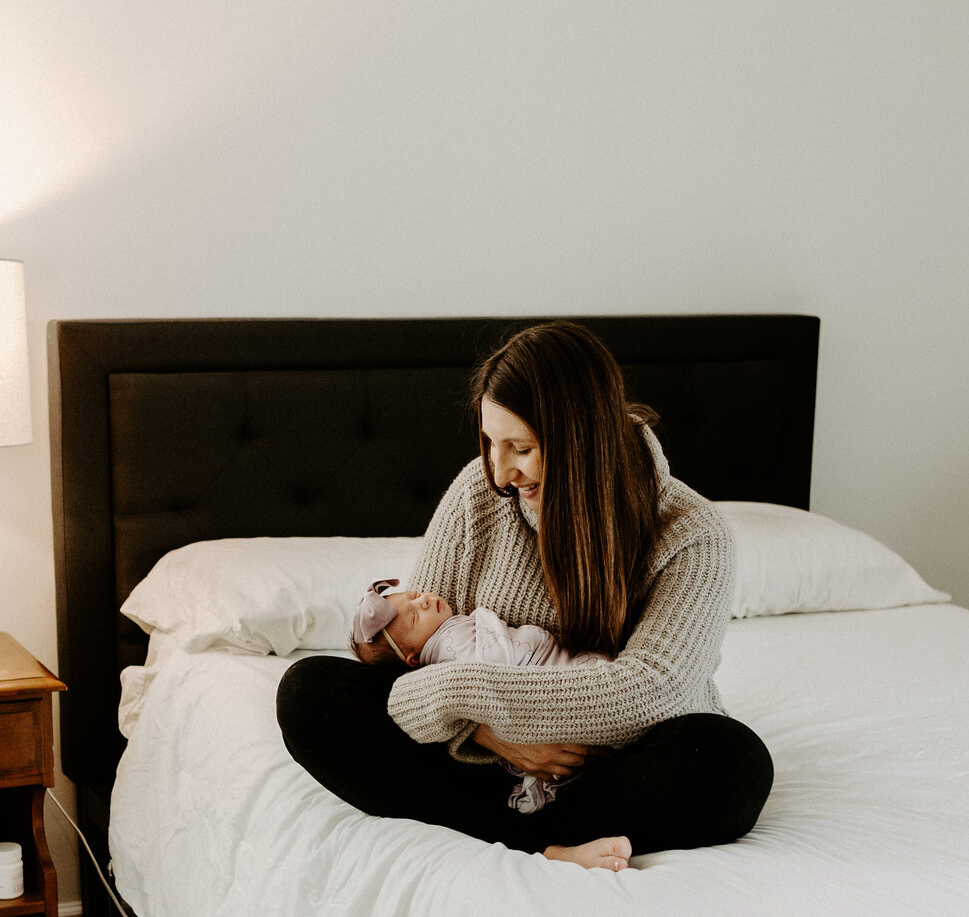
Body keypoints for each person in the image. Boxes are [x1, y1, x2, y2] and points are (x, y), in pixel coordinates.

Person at [277, 321, 774, 872]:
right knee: (310, 692)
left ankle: (524, 831)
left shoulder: (693, 535)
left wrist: (477, 701)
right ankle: (545, 844)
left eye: (522, 448)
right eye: (490, 443)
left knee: (732, 764)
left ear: (582, 442)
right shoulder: (478, 494)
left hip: (611, 764)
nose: (500, 470)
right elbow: (409, 661)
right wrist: (492, 736)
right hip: (489, 764)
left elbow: (649, 693)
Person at [350, 577, 608, 814]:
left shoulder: (449, 627)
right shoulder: (449, 646)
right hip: (549, 694)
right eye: (415, 617)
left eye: (415, 595)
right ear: (413, 658)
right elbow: (491, 675)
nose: (424, 600)